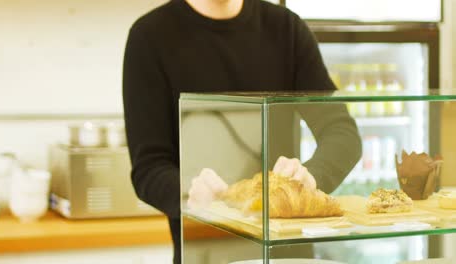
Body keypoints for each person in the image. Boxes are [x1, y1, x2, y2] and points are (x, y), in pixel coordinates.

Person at [122, 0, 362, 263]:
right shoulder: (149, 36)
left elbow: (342, 132)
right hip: (205, 250)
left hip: (287, 254)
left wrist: (312, 177)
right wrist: (189, 193)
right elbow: (148, 167)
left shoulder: (286, 28)